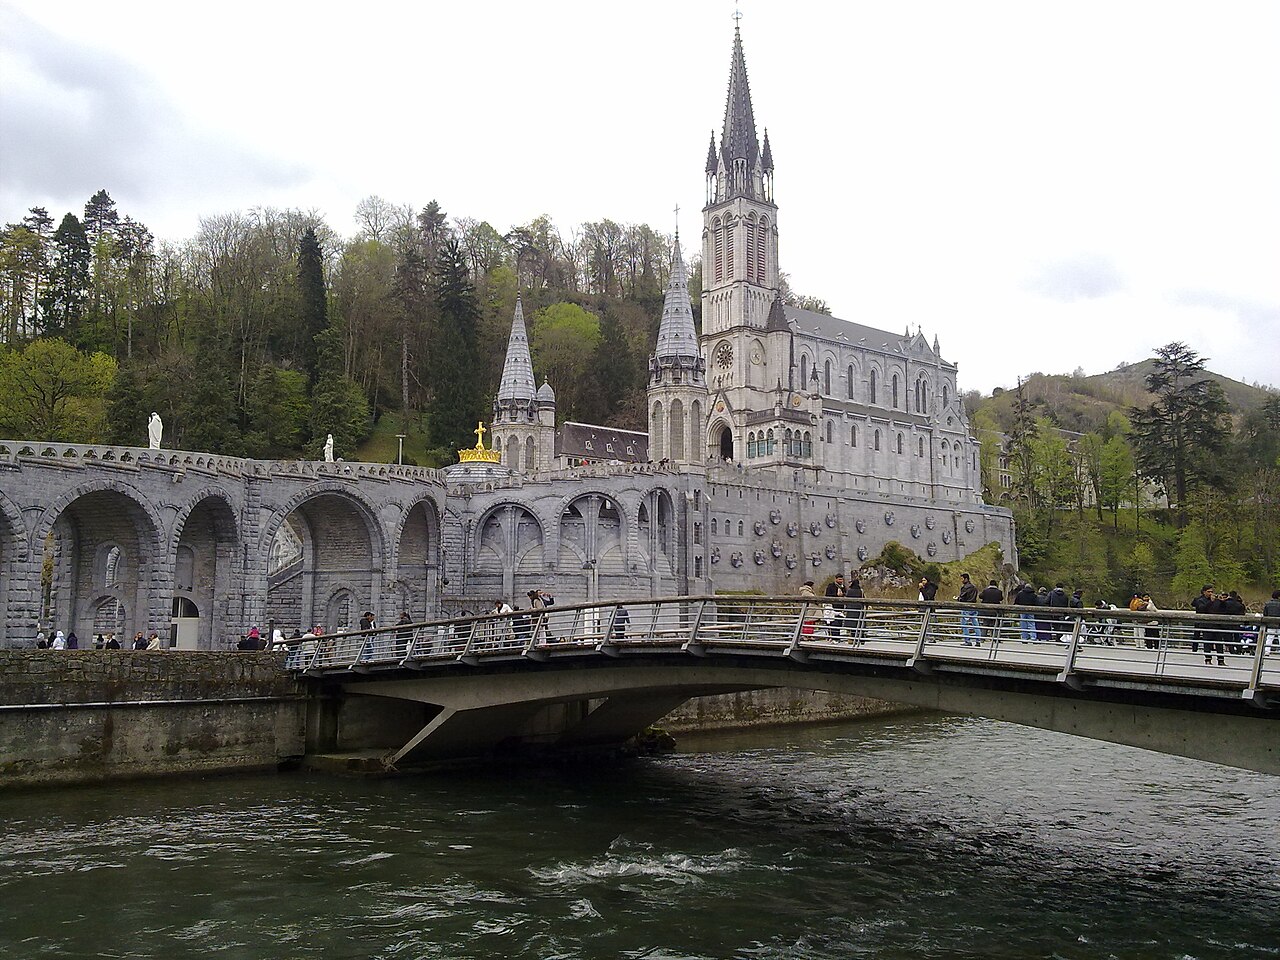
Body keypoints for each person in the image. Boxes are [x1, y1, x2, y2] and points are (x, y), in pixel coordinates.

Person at [957, 573, 980, 644]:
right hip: (974, 606)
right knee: (976, 624)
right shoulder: (974, 587)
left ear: (966, 579)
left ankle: (967, 640)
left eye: (962, 579)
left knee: (964, 624)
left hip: (966, 607)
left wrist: (958, 599)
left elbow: (963, 597)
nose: (961, 580)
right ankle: (978, 640)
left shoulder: (965, 588)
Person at [825, 574, 849, 639]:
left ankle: (837, 635)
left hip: (840, 607)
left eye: (842, 579)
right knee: (833, 622)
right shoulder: (831, 586)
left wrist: (843, 595)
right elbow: (827, 595)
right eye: (839, 579)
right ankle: (834, 636)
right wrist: (836, 595)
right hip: (833, 607)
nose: (841, 581)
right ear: (836, 579)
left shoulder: (843, 587)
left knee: (839, 621)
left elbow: (846, 594)